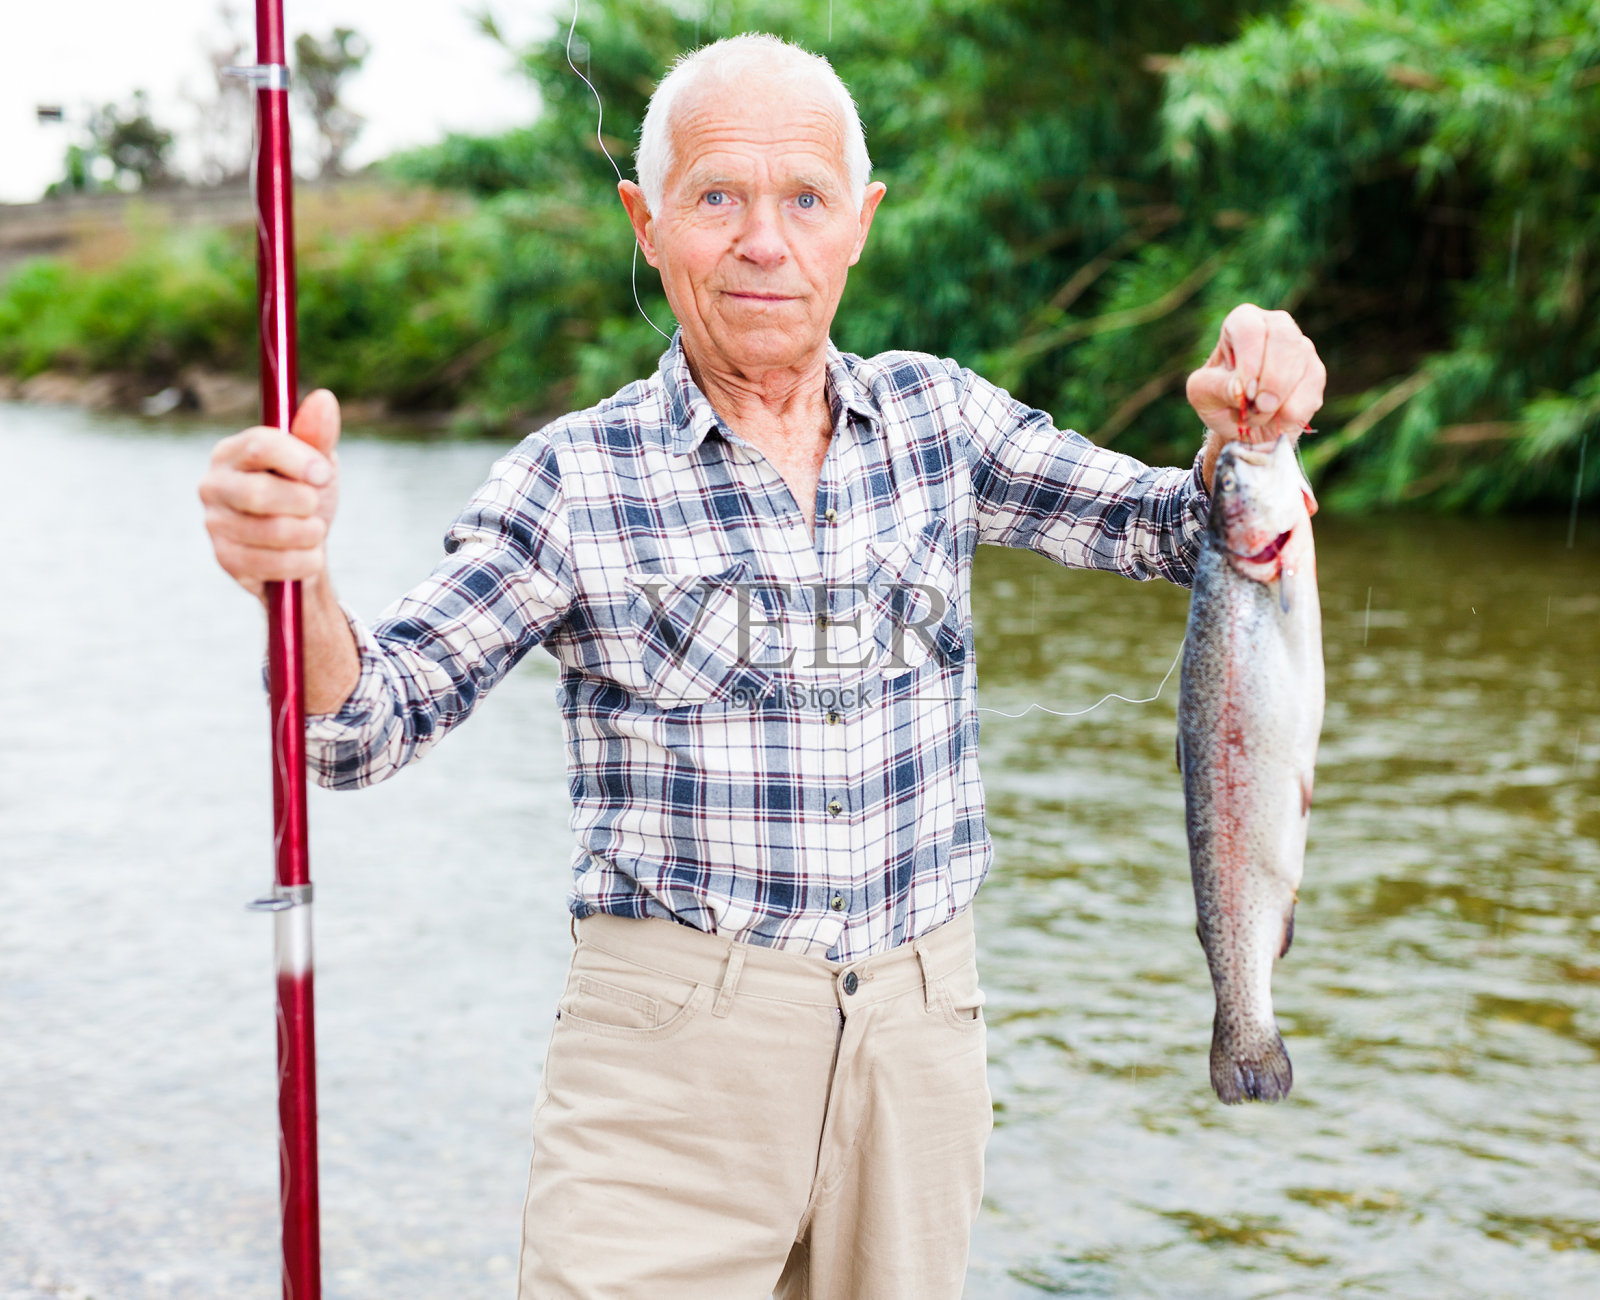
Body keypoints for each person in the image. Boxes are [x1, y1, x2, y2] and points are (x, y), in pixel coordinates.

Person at [198, 33, 1324, 1300]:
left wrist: (1253, 418)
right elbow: (361, 728)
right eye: (717, 197)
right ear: (647, 219)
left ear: (861, 222)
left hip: (919, 1039)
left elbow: (1181, 532)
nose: (764, 243)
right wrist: (296, 583)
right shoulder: (573, 479)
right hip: (668, 1065)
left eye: (804, 200)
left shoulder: (942, 420)